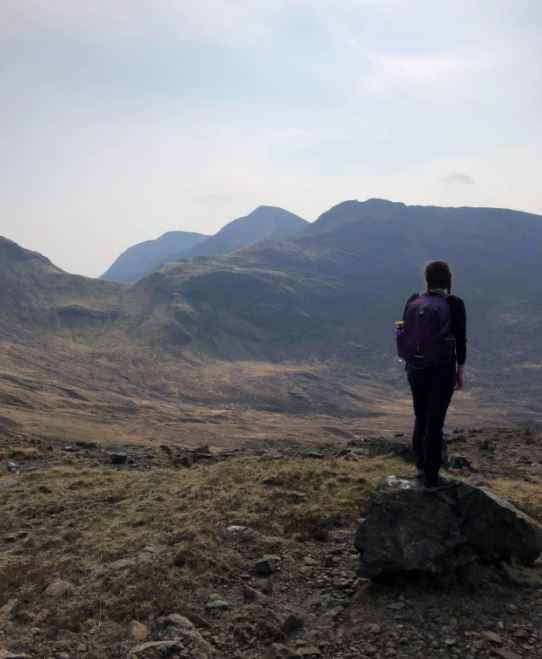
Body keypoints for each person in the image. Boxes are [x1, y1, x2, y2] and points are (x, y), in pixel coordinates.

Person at [401, 261, 467, 492]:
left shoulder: (413, 300)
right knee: (435, 422)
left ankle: (420, 468)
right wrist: (460, 371)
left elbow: (406, 333)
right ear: (448, 280)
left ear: (426, 279)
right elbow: (461, 339)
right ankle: (432, 478)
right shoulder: (454, 303)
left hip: (415, 368)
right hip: (442, 369)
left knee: (421, 415)